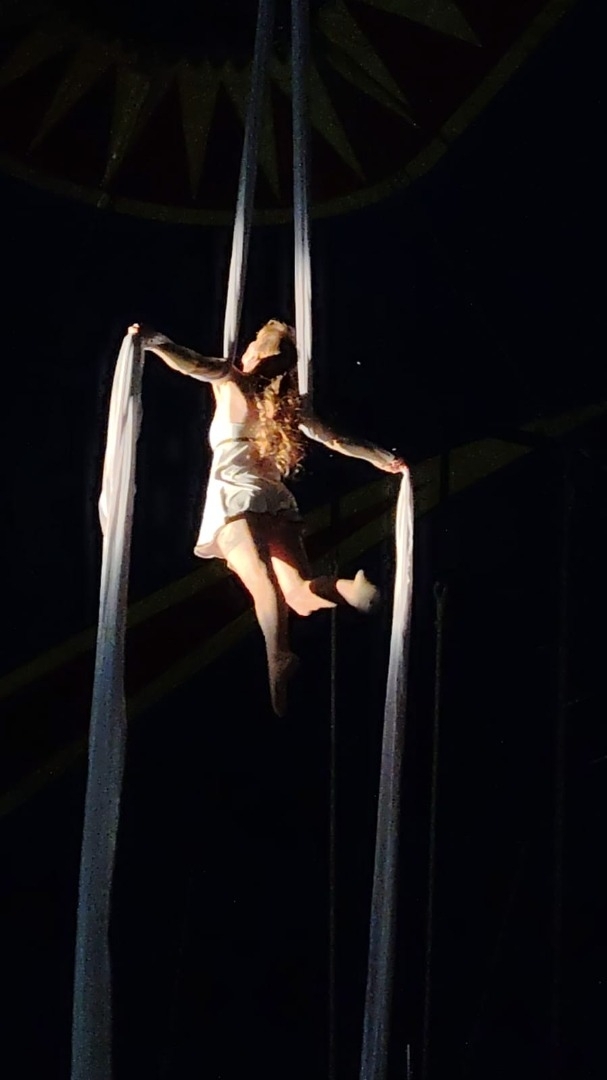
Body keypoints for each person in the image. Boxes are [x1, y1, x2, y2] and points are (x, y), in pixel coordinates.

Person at [128, 319, 407, 716]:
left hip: (237, 497)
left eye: (251, 344)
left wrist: (155, 342)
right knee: (297, 593)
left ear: (256, 354)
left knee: (261, 579)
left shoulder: (233, 381)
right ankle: (347, 588)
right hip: (277, 502)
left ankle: (278, 653)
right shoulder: (289, 408)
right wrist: (383, 457)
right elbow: (337, 440)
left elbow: (193, 364)